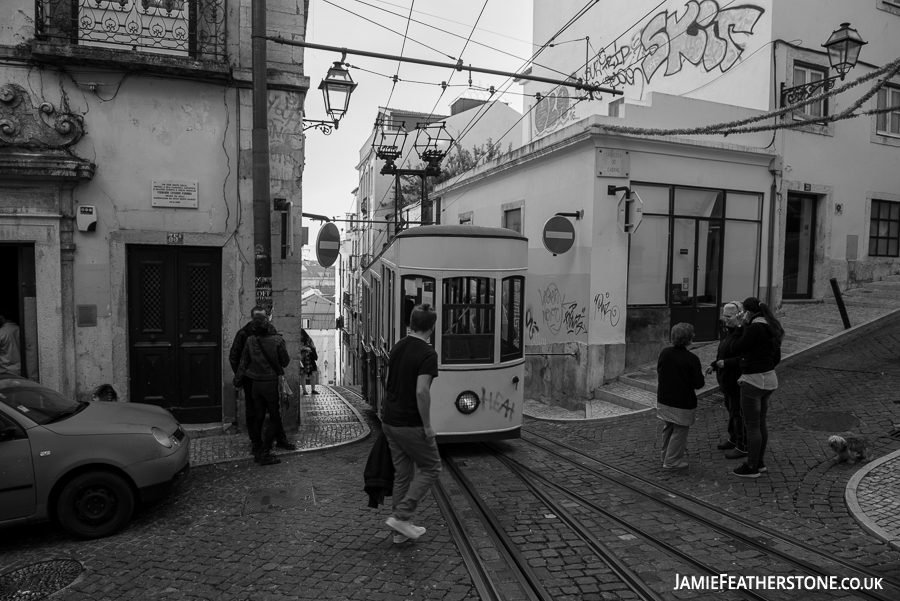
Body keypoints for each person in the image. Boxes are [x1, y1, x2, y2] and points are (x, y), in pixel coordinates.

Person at [382, 303, 441, 544]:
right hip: (410, 423)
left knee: (403, 475)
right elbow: (422, 391)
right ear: (432, 327)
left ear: (412, 323)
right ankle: (402, 516)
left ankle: (400, 532)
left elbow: (388, 381)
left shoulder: (398, 346)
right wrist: (427, 426)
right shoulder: (428, 353)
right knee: (432, 468)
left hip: (390, 421)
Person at [730, 297, 784, 478]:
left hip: (753, 381)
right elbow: (776, 358)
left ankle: (752, 466)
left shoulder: (754, 328)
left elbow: (735, 347)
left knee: (752, 426)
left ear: (748, 313)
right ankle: (759, 463)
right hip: (769, 379)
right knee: (760, 424)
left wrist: (738, 327)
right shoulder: (771, 326)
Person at [229, 307, 296, 451]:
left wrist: (238, 380)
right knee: (265, 414)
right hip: (259, 381)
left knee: (260, 414)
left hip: (256, 382)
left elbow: (242, 362)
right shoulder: (246, 335)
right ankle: (261, 445)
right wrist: (241, 379)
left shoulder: (253, 339)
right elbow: (236, 358)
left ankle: (265, 444)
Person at [656, 323, 705, 470]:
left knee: (669, 427)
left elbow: (660, 370)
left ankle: (665, 455)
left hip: (664, 398)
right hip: (682, 401)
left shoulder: (665, 353)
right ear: (689, 338)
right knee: (680, 431)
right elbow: (698, 383)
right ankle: (671, 461)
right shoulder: (692, 359)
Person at [707, 302, 746, 459]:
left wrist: (727, 363)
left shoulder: (743, 333)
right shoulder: (728, 331)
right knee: (732, 411)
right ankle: (734, 438)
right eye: (723, 316)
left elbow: (743, 358)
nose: (725, 319)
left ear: (739, 315)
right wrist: (714, 365)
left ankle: (743, 444)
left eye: (728, 316)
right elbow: (722, 353)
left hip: (736, 381)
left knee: (738, 413)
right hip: (726, 381)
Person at [299, 329, 319, 395]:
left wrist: (310, 350)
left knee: (313, 374)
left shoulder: (309, 340)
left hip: (310, 359)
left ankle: (313, 389)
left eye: (301, 335)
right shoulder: (298, 341)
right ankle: (304, 390)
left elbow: (313, 348)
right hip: (302, 360)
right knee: (303, 375)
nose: (301, 336)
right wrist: (303, 348)